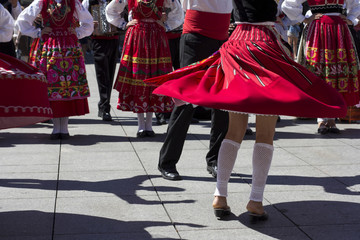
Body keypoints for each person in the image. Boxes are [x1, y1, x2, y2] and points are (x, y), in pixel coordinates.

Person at [145, 0, 347, 221]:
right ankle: (256, 200)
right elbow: (289, 5)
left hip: (238, 44)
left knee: (234, 131)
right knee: (265, 134)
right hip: (264, 46)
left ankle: (220, 195)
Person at [154, 0, 232, 181]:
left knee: (222, 102)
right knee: (185, 102)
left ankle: (215, 160)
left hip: (223, 37)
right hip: (195, 37)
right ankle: (167, 162)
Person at [16, 0, 94, 139]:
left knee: (68, 86)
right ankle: (55, 127)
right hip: (50, 46)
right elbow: (22, 21)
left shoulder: (72, 2)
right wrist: (38, 32)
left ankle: (64, 127)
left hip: (69, 46)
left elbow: (88, 22)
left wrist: (77, 32)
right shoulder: (42, 2)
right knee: (52, 86)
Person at [105, 0, 184, 138]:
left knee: (154, 79)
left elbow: (178, 11)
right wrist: (124, 24)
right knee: (139, 79)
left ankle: (149, 124)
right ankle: (141, 125)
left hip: (156, 37)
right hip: (137, 37)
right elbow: (110, 10)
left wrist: (166, 25)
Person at [282, 0, 360, 134]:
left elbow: (356, 4)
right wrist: (304, 19)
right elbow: (287, 4)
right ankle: (321, 119)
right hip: (319, 30)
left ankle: (332, 118)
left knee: (336, 73)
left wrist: (351, 19)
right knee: (319, 72)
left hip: (338, 30)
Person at [83, 0, 119, 121]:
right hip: (99, 40)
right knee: (102, 73)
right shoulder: (89, 1)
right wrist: (88, 23)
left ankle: (104, 104)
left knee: (110, 73)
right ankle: (105, 107)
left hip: (113, 38)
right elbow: (80, 18)